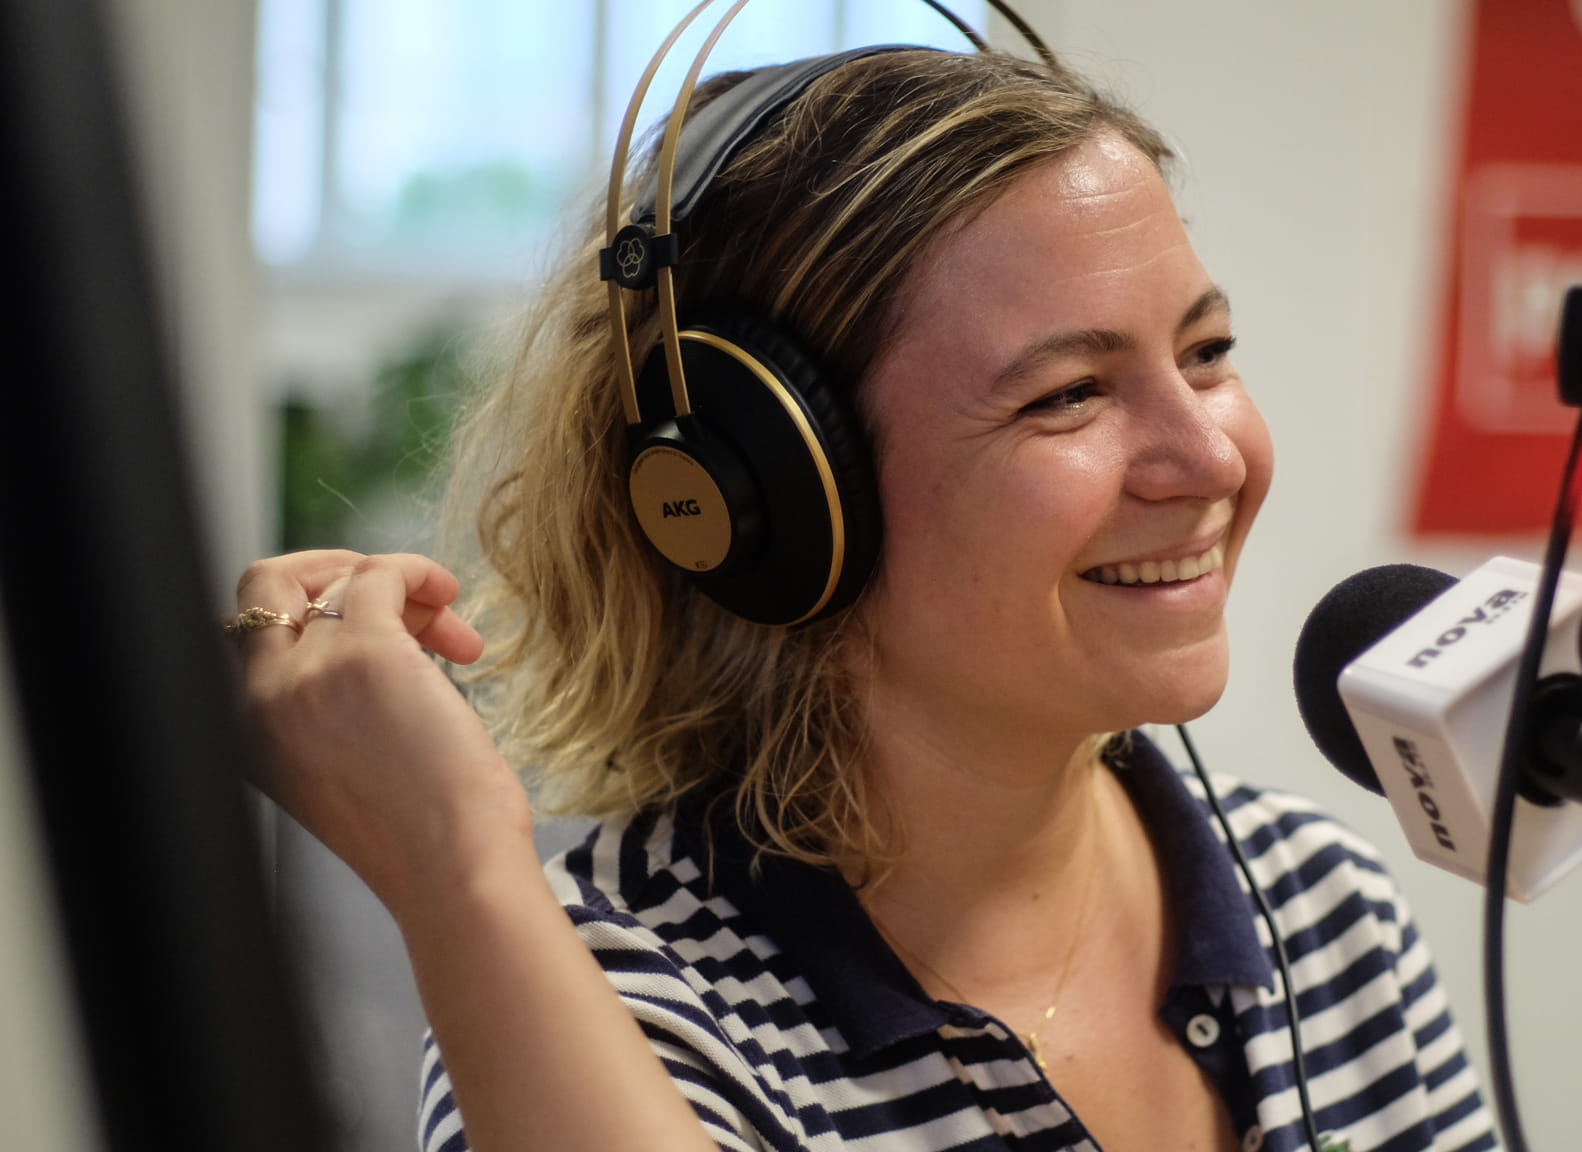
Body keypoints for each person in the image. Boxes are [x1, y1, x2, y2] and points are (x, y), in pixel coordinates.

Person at [230, 33, 1497, 1152]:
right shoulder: (615, 1013)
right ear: (775, 496)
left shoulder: (1320, 906)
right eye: (1068, 393)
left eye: (1206, 354)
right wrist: (456, 872)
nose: (1211, 457)